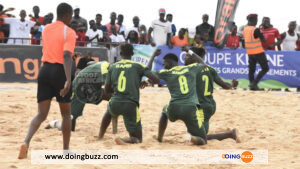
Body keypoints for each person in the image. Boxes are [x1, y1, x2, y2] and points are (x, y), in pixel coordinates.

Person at [18, 3, 78, 159]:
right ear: (66, 15)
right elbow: (65, 56)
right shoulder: (69, 32)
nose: (71, 19)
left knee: (41, 114)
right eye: (70, 16)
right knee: (66, 115)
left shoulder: (46, 29)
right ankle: (65, 150)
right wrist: (68, 80)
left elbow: (52, 48)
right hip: (60, 72)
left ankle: (26, 141)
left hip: (44, 70)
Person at [98, 44, 160, 144]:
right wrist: (146, 82)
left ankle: (100, 136)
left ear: (120, 54)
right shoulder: (138, 66)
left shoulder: (112, 67)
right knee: (138, 139)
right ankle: (125, 139)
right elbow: (156, 80)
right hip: (130, 105)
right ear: (132, 53)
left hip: (115, 103)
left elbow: (106, 90)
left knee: (108, 111)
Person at [147, 50, 207, 145]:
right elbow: (204, 64)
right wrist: (190, 51)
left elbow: (147, 71)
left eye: (164, 64)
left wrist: (153, 55)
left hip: (174, 107)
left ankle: (159, 138)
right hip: (191, 108)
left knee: (164, 111)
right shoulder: (190, 68)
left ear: (170, 63)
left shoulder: (167, 72)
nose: (164, 66)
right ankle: (192, 138)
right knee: (203, 140)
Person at [183, 46, 240, 142]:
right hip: (210, 105)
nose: (184, 58)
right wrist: (232, 84)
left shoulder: (190, 70)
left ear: (194, 57)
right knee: (196, 135)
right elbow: (224, 85)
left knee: (198, 138)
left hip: (201, 107)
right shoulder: (210, 69)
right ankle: (230, 134)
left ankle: (231, 134)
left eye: (187, 56)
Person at [45, 61, 111, 131]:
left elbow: (90, 63)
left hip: (87, 87)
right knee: (70, 128)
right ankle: (55, 123)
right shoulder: (104, 69)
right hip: (77, 93)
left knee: (109, 95)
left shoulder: (103, 66)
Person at [243, 14, 269, 91]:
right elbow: (264, 40)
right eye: (256, 20)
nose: (257, 22)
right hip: (258, 52)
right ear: (253, 20)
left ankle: (252, 86)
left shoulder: (245, 29)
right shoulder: (256, 29)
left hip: (250, 52)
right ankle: (254, 83)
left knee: (251, 69)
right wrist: (261, 31)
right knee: (265, 68)